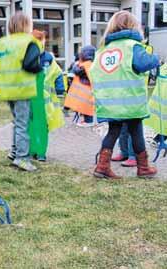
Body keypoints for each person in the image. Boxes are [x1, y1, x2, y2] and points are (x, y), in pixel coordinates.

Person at [90, 11, 160, 179]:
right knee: (136, 132)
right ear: (133, 26)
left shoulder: (102, 50)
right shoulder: (132, 46)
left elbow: (94, 72)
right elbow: (144, 64)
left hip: (110, 102)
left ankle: (102, 166)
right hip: (130, 101)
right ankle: (143, 167)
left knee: (112, 132)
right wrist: (155, 58)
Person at [0, 11, 43, 171]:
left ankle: (14, 152)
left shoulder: (3, 42)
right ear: (27, 25)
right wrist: (39, 68)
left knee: (17, 122)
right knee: (23, 124)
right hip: (22, 88)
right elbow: (31, 64)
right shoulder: (29, 41)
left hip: (7, 88)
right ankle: (22, 158)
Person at [32, 29, 65, 162]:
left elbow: (57, 73)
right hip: (30, 99)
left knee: (41, 127)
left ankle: (41, 153)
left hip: (44, 102)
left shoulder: (48, 59)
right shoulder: (27, 58)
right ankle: (33, 150)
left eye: (42, 42)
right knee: (31, 127)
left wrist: (60, 89)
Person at [64, 45, 96, 127]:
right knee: (85, 106)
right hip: (86, 89)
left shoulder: (84, 65)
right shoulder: (90, 64)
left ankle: (88, 121)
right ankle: (87, 120)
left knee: (86, 106)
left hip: (85, 89)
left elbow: (77, 71)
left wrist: (76, 65)